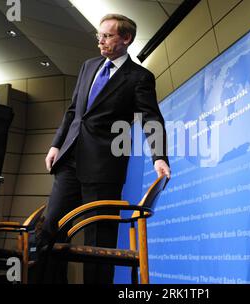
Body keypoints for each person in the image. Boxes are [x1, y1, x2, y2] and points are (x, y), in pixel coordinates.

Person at [37, 13, 170, 284]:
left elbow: (151, 118)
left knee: (99, 239)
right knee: (50, 228)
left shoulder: (139, 77)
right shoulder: (89, 66)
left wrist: (159, 156)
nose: (100, 41)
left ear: (126, 39)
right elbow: (74, 111)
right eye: (99, 35)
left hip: (104, 167)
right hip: (70, 160)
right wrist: (55, 145)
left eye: (107, 36)